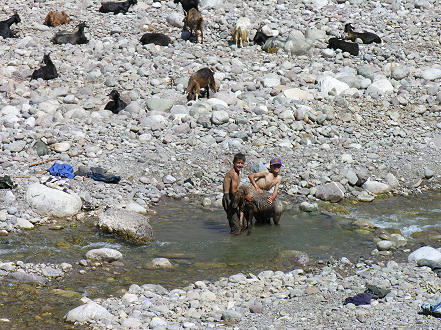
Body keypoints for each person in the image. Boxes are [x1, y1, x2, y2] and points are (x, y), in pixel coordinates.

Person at [246, 157, 283, 224]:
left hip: (264, 192)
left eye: (278, 166)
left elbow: (275, 191)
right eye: (274, 166)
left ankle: (276, 223)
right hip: (254, 190)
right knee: (250, 204)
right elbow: (251, 176)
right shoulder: (266, 173)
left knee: (279, 206)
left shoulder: (279, 178)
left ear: (280, 167)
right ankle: (249, 223)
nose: (276, 167)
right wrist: (257, 188)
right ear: (271, 167)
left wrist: (272, 198)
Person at [222, 153, 246, 234]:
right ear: (234, 163)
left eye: (242, 163)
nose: (240, 165)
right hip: (228, 199)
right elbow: (234, 191)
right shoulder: (233, 174)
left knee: (243, 224)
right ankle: (232, 243)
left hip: (234, 198)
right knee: (236, 227)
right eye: (238, 163)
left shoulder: (238, 173)